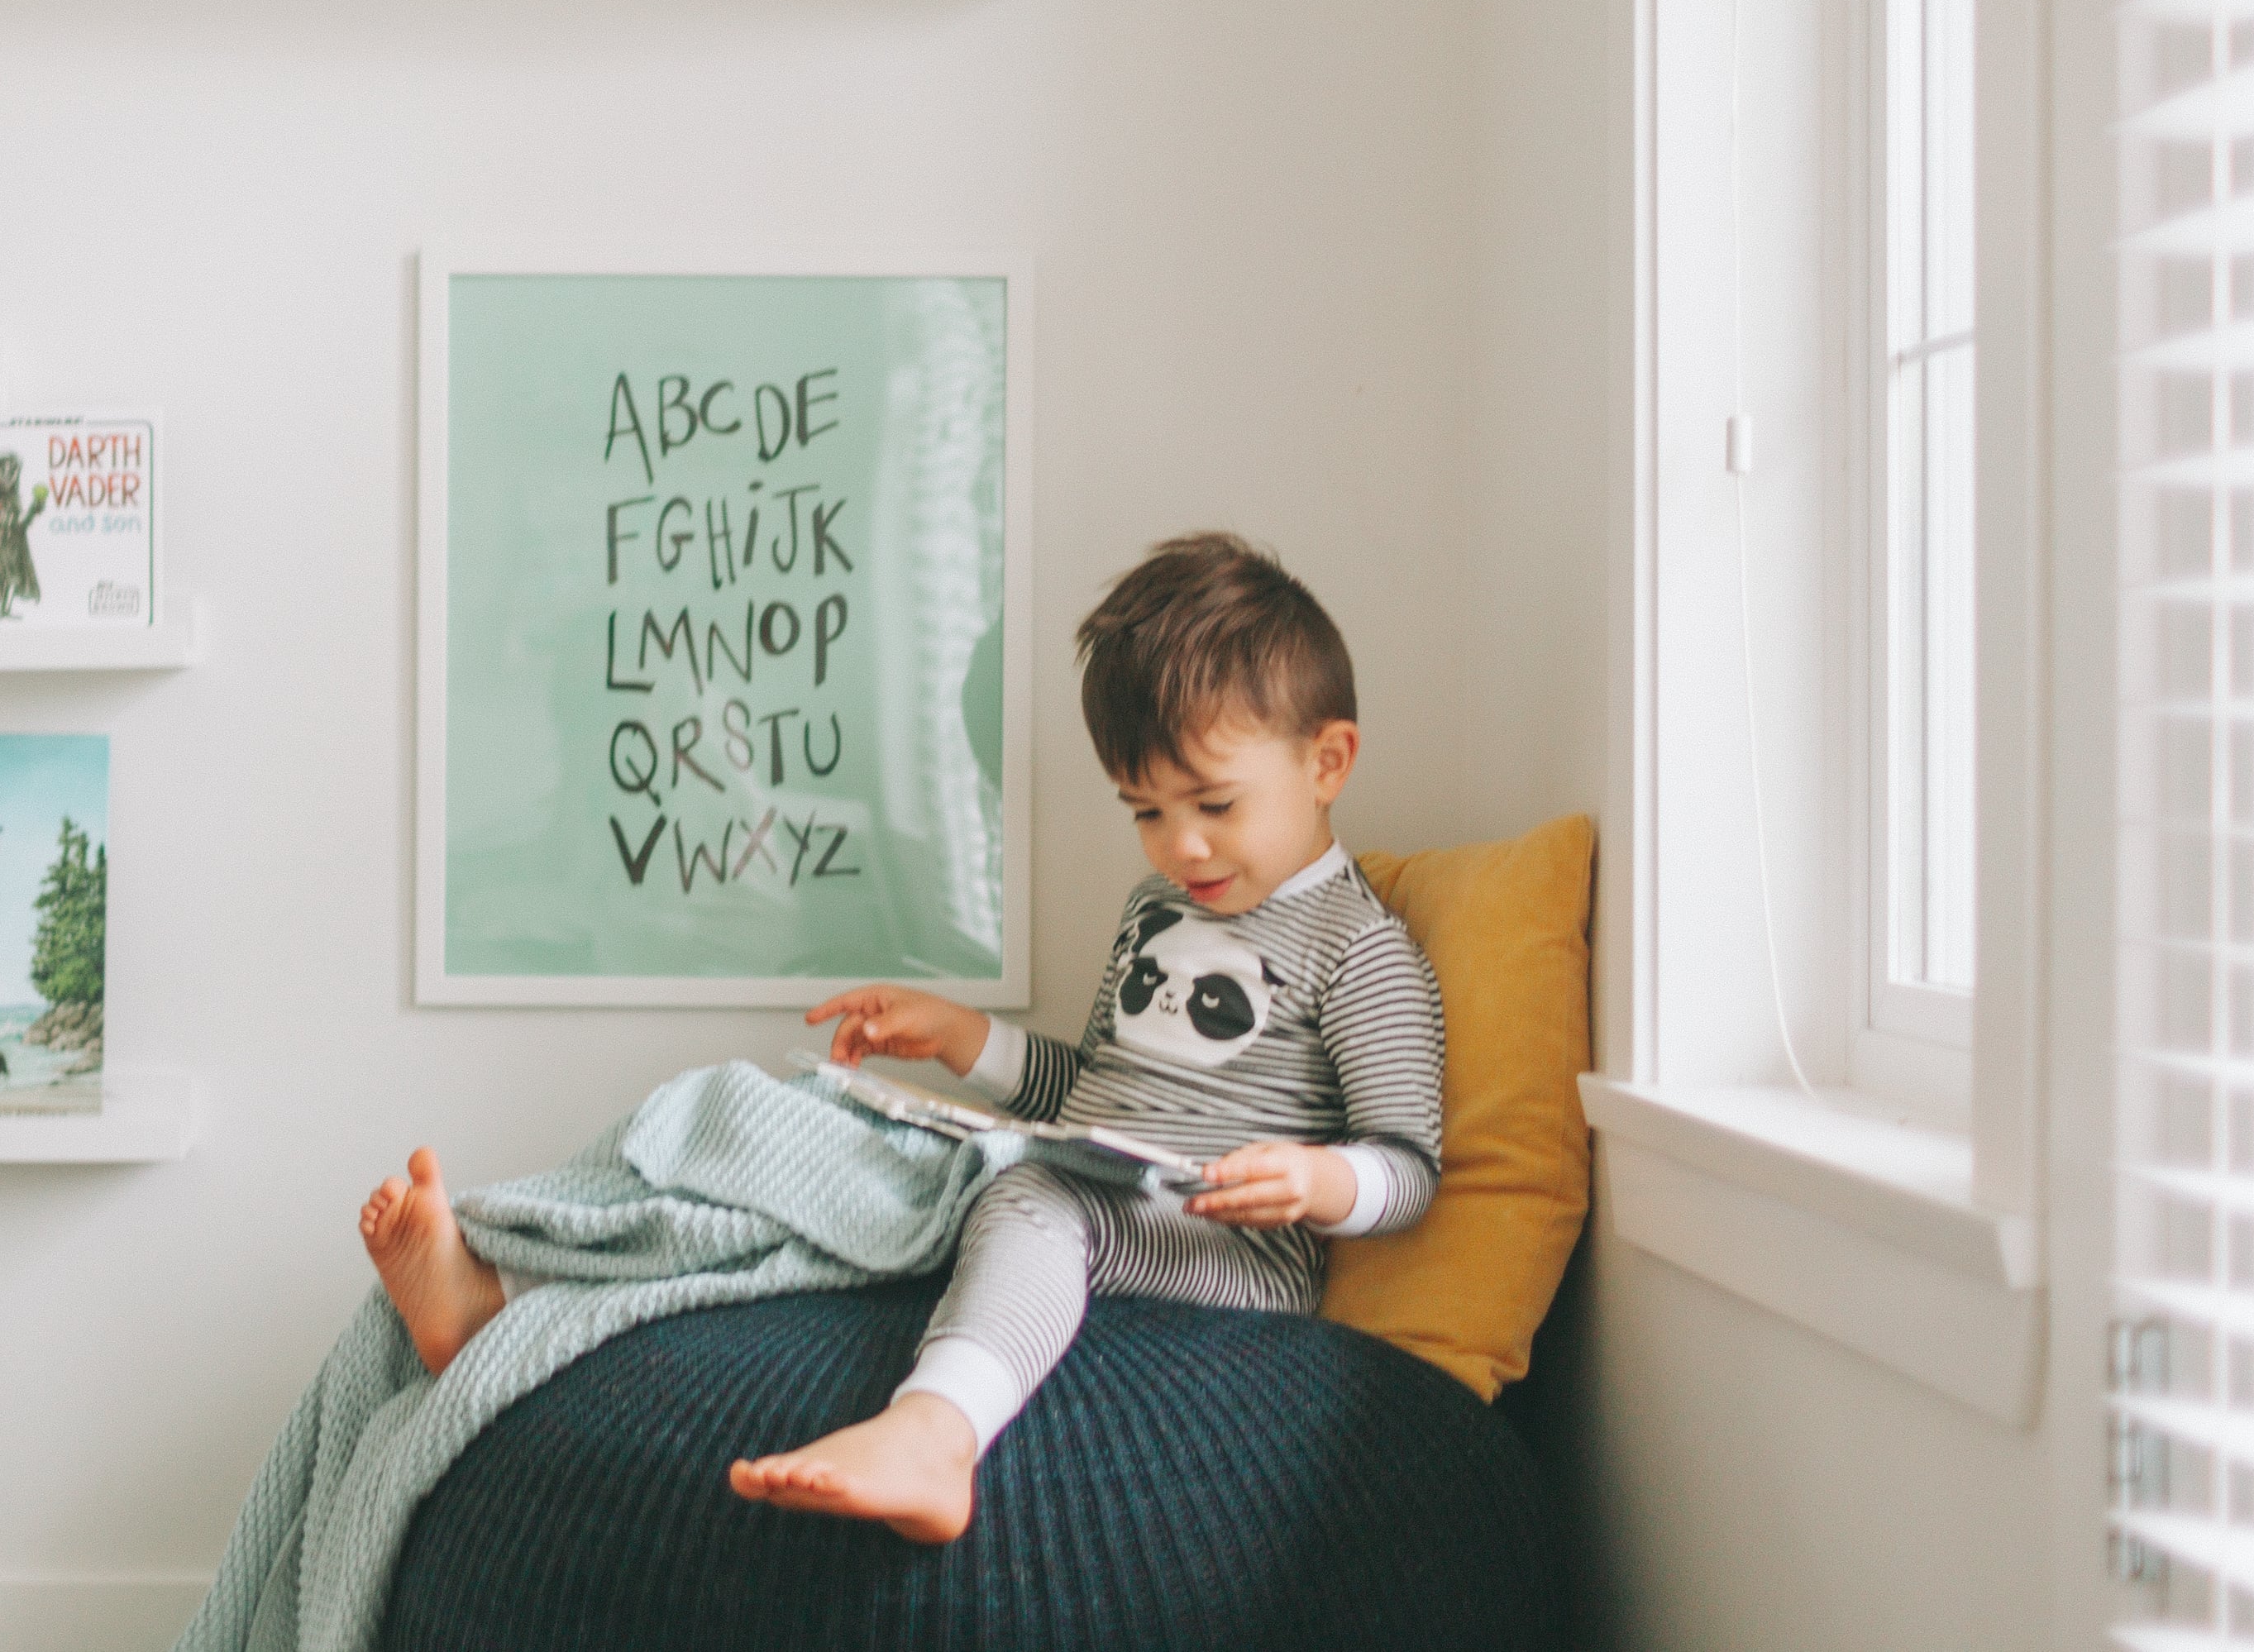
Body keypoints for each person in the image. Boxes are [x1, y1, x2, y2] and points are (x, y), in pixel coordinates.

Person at [354, 532, 1444, 1545]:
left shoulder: (1361, 950)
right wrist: (967, 1039)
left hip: (1227, 1248)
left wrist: (1314, 1179)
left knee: (1031, 1198)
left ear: (1328, 760)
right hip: (1106, 1181)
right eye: (1146, 810)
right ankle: (506, 1298)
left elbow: (1408, 1166)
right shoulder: (1158, 915)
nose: (1181, 843)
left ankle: (935, 1437)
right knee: (799, 1131)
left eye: (1211, 802)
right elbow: (1093, 1098)